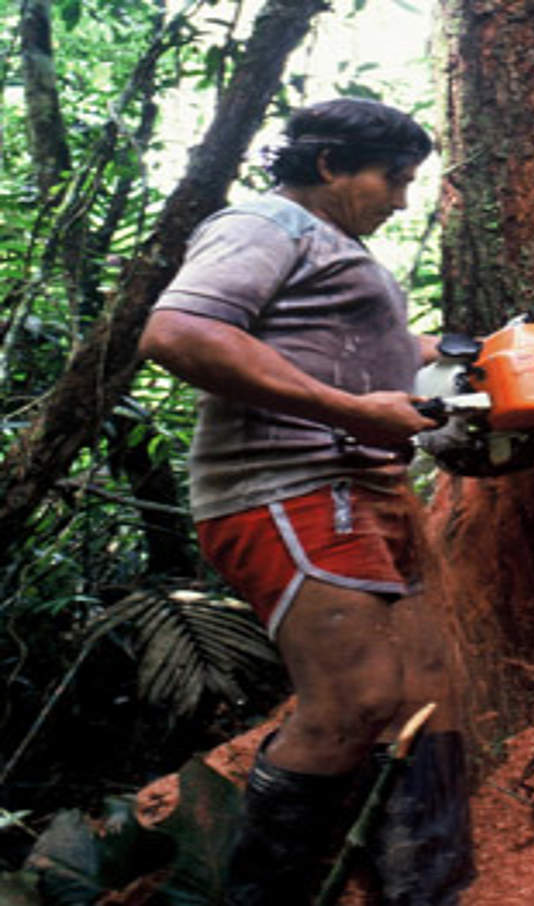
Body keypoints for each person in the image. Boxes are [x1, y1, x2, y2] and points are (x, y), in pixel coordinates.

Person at [138, 97, 474, 905]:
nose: (401, 200)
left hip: (366, 487)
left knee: (432, 688)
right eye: (393, 180)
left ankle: (425, 889)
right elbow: (180, 332)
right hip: (289, 486)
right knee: (354, 699)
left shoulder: (332, 246)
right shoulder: (263, 225)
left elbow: (341, 343)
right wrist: (356, 412)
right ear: (329, 166)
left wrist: (465, 352)